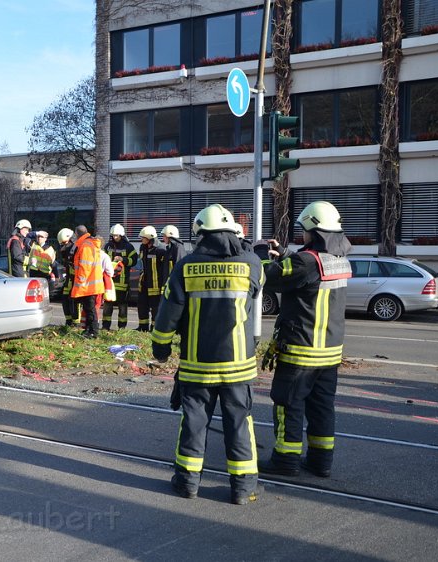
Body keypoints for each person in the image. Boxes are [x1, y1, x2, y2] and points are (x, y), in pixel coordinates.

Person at [152, 204, 263, 505]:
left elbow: (168, 315)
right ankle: (243, 489)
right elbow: (253, 295)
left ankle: (187, 483)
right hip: (239, 365)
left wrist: (160, 349)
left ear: (200, 232)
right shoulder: (252, 263)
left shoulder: (186, 266)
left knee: (194, 422)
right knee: (239, 423)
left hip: (197, 364)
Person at [256, 201, 352, 479]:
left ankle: (286, 460)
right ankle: (321, 461)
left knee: (288, 405)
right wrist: (285, 253)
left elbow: (267, 277)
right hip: (330, 353)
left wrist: (262, 251)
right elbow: (308, 274)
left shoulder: (306, 261)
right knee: (322, 408)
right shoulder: (338, 260)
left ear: (314, 230)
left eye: (305, 230)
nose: (303, 235)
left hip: (301, 351)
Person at [70, 225, 104, 338]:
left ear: (77, 234)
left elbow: (85, 266)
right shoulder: (88, 244)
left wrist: (81, 282)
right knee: (88, 308)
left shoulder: (85, 246)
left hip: (88, 284)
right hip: (91, 283)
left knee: (90, 309)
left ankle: (94, 331)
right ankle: (89, 330)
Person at [102, 224, 137, 330]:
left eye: (116, 235)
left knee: (122, 306)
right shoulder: (108, 246)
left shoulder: (128, 247)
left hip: (123, 283)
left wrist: (123, 259)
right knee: (108, 305)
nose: (114, 237)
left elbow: (134, 261)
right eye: (113, 235)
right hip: (110, 282)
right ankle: (105, 326)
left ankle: (121, 327)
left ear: (121, 235)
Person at [135, 225, 166, 332]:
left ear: (149, 238)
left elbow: (164, 269)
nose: (141, 239)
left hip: (155, 284)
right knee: (142, 305)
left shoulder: (160, 249)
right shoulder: (142, 247)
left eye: (143, 237)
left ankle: (154, 328)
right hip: (144, 282)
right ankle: (142, 327)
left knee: (155, 308)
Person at [56, 228, 77, 326]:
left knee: (75, 300)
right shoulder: (66, 248)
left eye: (64, 243)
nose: (63, 245)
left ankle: (76, 323)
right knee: (65, 298)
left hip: (77, 278)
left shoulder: (76, 247)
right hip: (69, 277)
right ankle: (69, 321)